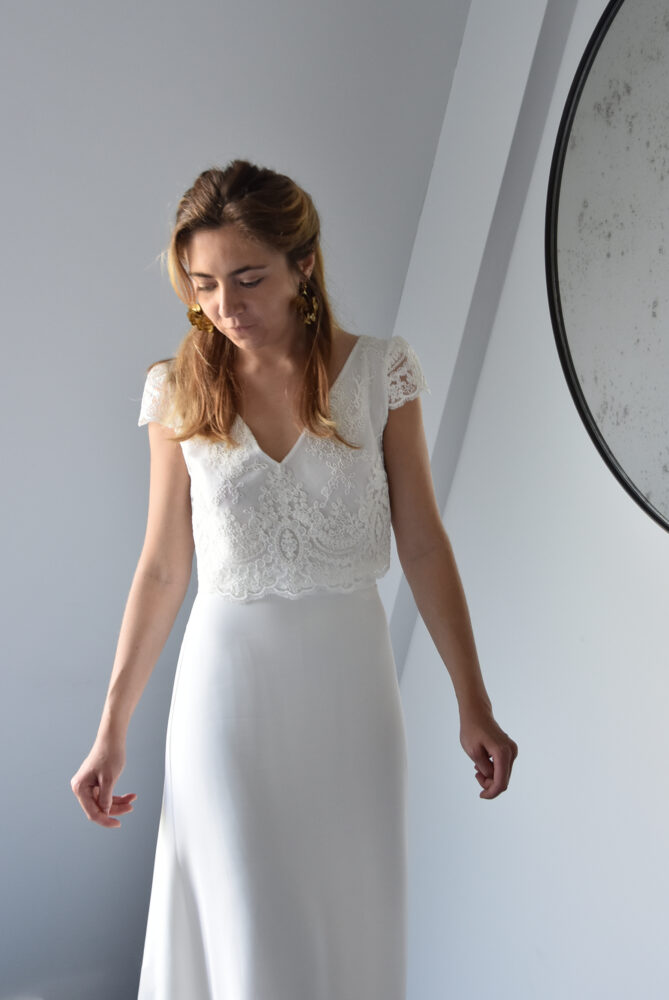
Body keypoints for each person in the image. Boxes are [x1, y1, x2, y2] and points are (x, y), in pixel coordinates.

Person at [71, 159, 517, 999]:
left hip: (351, 693)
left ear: (302, 264)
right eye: (203, 284)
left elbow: (423, 544)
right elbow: (163, 568)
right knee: (251, 929)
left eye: (248, 278)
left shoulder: (379, 373)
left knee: (346, 924)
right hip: (227, 698)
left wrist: (473, 701)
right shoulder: (178, 391)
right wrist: (111, 728)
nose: (225, 307)